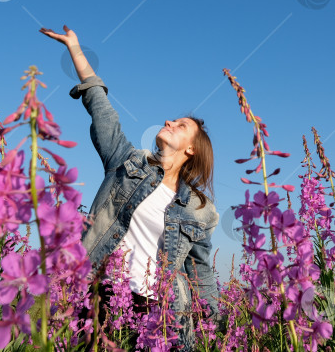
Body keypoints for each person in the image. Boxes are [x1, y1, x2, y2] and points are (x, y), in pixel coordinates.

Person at [40, 25, 220, 349]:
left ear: (191, 149)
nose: (169, 122)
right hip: (99, 293)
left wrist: (218, 325)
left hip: (157, 312)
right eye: (172, 120)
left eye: (180, 126)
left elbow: (200, 270)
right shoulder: (127, 161)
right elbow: (101, 108)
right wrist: (75, 49)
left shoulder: (199, 208)